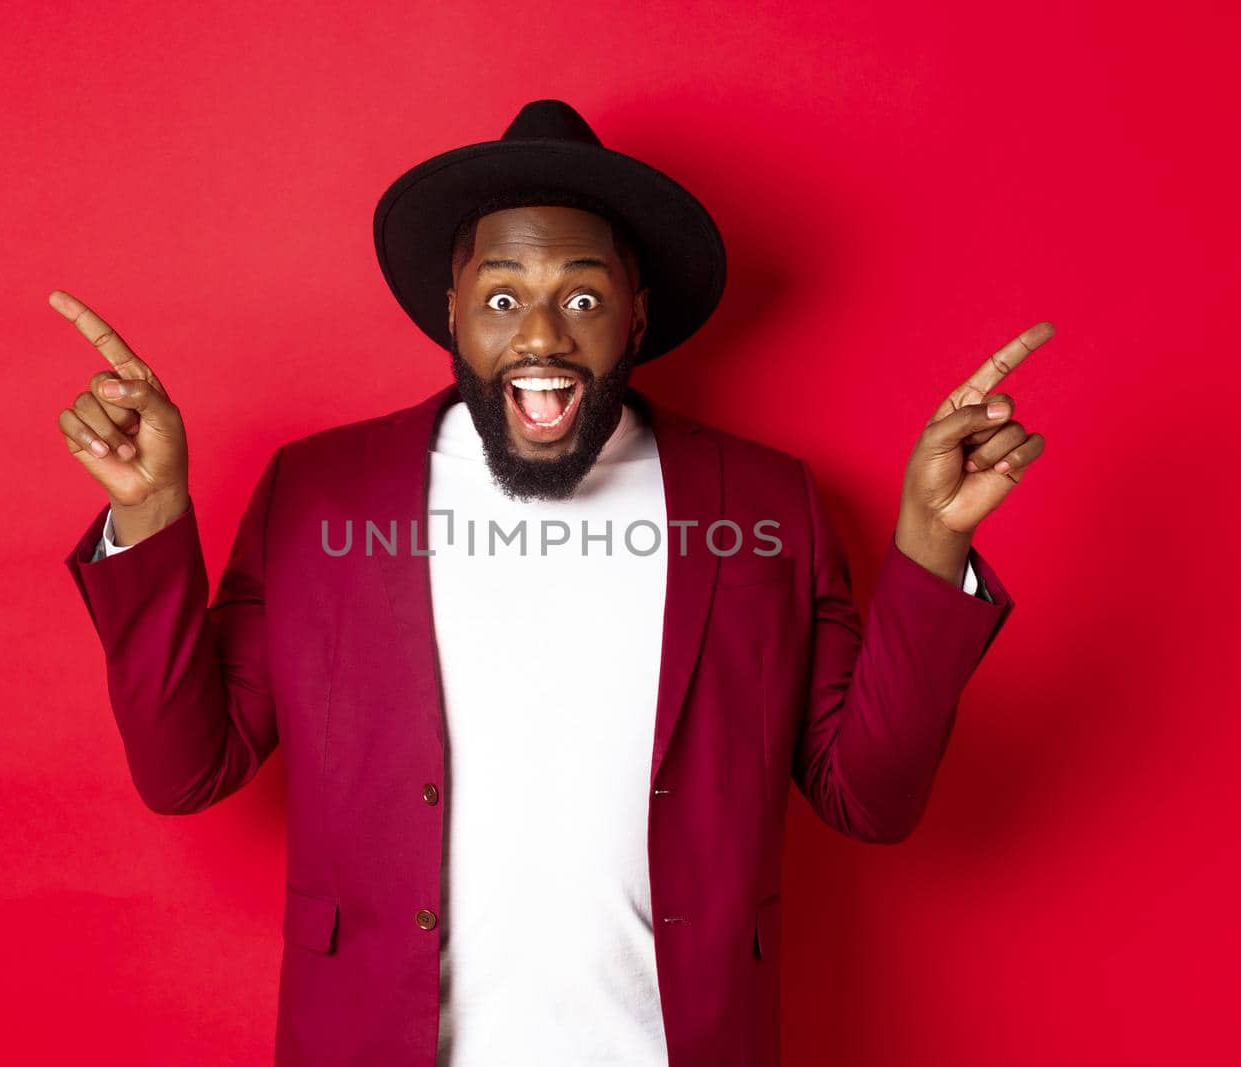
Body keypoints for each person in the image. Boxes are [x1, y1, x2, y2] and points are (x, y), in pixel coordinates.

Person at [54, 99, 1045, 1067]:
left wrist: (930, 540)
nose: (541, 335)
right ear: (452, 312)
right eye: (500, 297)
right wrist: (150, 510)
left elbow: (867, 796)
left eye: (581, 296)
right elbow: (185, 768)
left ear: (635, 313)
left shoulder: (765, 503)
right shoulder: (319, 493)